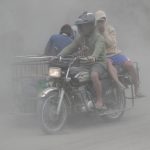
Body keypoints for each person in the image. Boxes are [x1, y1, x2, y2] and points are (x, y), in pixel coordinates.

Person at [57, 12, 107, 110]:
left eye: (82, 26)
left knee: (94, 75)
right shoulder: (81, 38)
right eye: (79, 26)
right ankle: (78, 98)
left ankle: (99, 100)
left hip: (98, 63)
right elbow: (70, 48)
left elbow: (97, 50)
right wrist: (58, 56)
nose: (80, 28)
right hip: (86, 64)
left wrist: (93, 57)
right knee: (70, 72)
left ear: (90, 25)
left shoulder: (98, 38)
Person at [95, 10, 144, 97]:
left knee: (130, 65)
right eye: (99, 21)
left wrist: (104, 32)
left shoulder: (110, 28)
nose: (101, 23)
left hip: (115, 53)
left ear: (105, 20)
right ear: (96, 21)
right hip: (104, 56)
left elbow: (111, 43)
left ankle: (137, 89)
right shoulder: (94, 32)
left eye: (103, 20)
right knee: (109, 64)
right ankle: (118, 84)